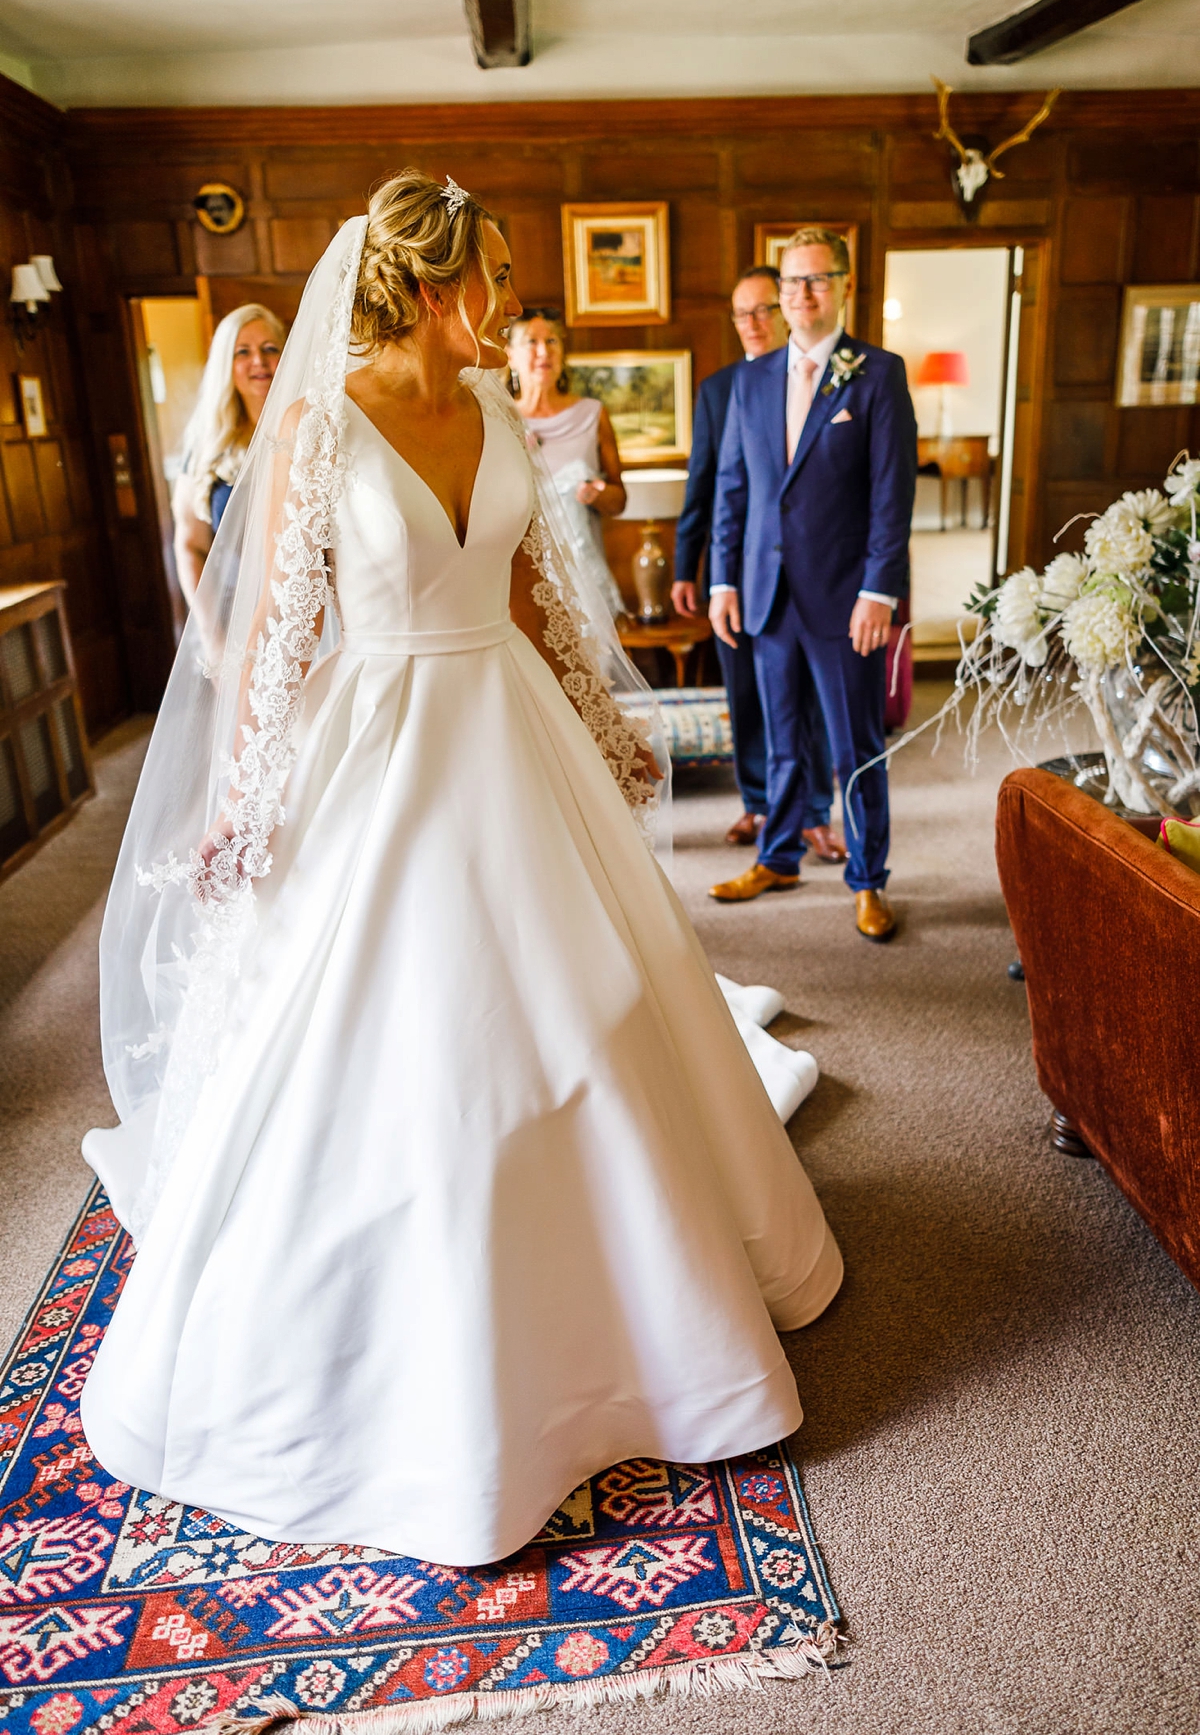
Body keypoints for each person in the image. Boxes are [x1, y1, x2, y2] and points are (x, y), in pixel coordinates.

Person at [79, 171, 843, 1568]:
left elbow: (537, 601)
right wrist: (248, 801)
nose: (510, 300)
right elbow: (276, 639)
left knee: (592, 1007)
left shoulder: (494, 410)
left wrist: (604, 727)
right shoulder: (316, 423)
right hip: (378, 745)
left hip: (511, 725)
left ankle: (635, 1294)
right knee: (394, 1035)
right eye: (494, 275)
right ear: (437, 289)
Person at [708, 226, 916, 942]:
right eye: (792, 281)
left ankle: (868, 879)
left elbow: (892, 494)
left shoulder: (878, 373)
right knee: (779, 740)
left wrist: (879, 593)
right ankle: (778, 858)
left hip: (845, 598)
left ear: (845, 285)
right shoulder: (751, 379)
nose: (801, 293)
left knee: (855, 747)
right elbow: (733, 489)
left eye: (816, 278)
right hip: (765, 593)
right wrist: (722, 582)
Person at [671, 266, 846, 864]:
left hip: (811, 574)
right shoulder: (721, 390)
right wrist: (687, 569)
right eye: (741, 313)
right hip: (738, 574)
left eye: (763, 309)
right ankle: (759, 803)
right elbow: (705, 485)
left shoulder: (827, 379)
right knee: (745, 693)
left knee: (811, 699)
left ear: (787, 307)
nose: (752, 323)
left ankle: (815, 813)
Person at [507, 306, 627, 618]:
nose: (543, 351)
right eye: (532, 342)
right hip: (518, 580)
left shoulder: (592, 414)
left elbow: (618, 501)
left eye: (552, 341)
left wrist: (597, 494)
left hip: (584, 580)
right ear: (510, 355)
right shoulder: (498, 417)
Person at [172, 303, 285, 605]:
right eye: (242, 352)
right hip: (235, 607)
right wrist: (212, 628)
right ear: (225, 363)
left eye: (270, 348)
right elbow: (191, 546)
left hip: (308, 605)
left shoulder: (309, 430)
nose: (259, 361)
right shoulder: (206, 445)